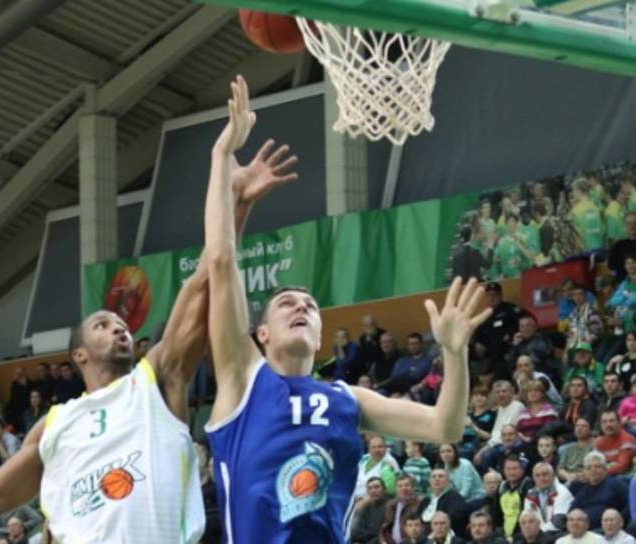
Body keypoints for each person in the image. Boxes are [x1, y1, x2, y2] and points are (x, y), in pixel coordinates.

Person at [0, 82, 291, 543]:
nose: (119, 327)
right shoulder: (56, 425)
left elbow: (205, 280)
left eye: (121, 324)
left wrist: (235, 203)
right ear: (79, 354)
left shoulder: (157, 380)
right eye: (103, 324)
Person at [202, 74, 491, 544]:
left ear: (320, 336)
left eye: (310, 306)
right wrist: (220, 157)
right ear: (262, 335)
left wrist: (454, 354)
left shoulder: (347, 399)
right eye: (286, 304)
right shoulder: (242, 380)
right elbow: (220, 259)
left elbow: (446, 425)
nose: (300, 307)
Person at [474, 282, 523, 380]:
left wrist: (510, 334)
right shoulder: (486, 314)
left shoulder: (510, 309)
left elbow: (522, 322)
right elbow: (478, 330)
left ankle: (491, 373)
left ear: (501, 296)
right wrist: (477, 342)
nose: (492, 298)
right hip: (488, 349)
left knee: (498, 343)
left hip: (506, 346)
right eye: (489, 295)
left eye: (494, 295)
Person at [569, 452, 629, 529]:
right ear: (585, 471)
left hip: (607, 529)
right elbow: (572, 511)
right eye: (589, 467)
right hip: (581, 529)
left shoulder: (616, 484)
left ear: (605, 469)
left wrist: (620, 521)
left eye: (597, 466)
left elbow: (630, 505)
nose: (593, 470)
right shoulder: (581, 488)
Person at [524, 462, 573, 535]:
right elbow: (527, 518)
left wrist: (538, 533)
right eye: (537, 475)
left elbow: (558, 523)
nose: (541, 478)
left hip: (558, 533)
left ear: (553, 475)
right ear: (534, 478)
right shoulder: (530, 494)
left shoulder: (562, 493)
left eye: (545, 474)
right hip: (538, 534)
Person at [419, 469, 467, 538]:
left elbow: (455, 518)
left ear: (448, 481)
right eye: (433, 477)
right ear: (429, 481)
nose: (437, 479)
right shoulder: (425, 501)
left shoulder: (454, 497)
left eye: (441, 476)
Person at [498, 455, 534, 539]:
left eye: (515, 469)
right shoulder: (502, 487)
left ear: (521, 470)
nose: (512, 472)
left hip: (521, 533)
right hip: (503, 534)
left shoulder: (527, 485)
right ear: (504, 471)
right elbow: (497, 515)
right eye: (508, 469)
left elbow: (526, 513)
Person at [380, 474, 421, 544]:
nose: (403, 488)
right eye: (400, 486)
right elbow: (385, 527)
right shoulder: (390, 505)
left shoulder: (419, 503)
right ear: (396, 489)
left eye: (406, 485)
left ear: (413, 487)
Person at [594, 410, 636, 476]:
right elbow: (593, 463)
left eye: (612, 421)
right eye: (604, 422)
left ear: (619, 423)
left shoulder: (627, 439)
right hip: (603, 475)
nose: (608, 424)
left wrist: (598, 473)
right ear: (601, 425)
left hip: (624, 477)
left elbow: (622, 467)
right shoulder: (599, 442)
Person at [350, 477, 387, 544]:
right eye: (370, 488)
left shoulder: (389, 506)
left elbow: (379, 532)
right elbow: (356, 532)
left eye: (376, 487)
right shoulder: (367, 507)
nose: (373, 491)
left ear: (384, 489)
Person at [556, 418, 594, 484]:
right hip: (569, 480)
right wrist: (567, 475)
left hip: (587, 480)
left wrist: (583, 474)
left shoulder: (595, 446)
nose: (579, 428)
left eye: (584, 426)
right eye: (577, 426)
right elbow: (560, 469)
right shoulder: (569, 448)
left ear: (591, 430)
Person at [607, 214, 636, 283]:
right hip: (623, 282)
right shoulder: (618, 245)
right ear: (625, 226)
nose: (631, 226)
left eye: (635, 223)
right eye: (628, 224)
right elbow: (611, 265)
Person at [6, 368, 33, 432]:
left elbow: (28, 400)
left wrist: (25, 386)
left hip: (26, 410)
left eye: (21, 374)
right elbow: (11, 399)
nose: (19, 376)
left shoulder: (30, 384)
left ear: (25, 374)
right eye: (17, 374)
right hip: (15, 411)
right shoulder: (14, 385)